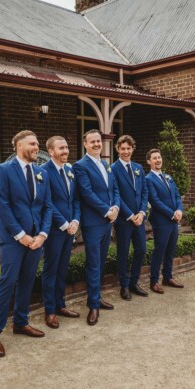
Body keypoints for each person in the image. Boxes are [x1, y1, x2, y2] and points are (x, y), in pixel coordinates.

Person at [0, 130, 52, 357]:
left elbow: (47, 207)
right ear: (18, 145)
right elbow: (1, 205)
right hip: (14, 239)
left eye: (37, 143)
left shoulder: (41, 173)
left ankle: (21, 322)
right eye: (33, 144)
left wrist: (42, 234)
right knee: (8, 281)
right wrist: (20, 235)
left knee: (27, 280)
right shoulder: (3, 170)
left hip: (36, 239)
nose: (37, 147)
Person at [73, 129, 120, 326]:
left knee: (101, 262)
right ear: (85, 144)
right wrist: (106, 211)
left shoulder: (106, 164)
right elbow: (86, 193)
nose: (96, 144)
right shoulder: (80, 166)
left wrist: (116, 206)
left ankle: (97, 296)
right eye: (92, 141)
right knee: (93, 263)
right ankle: (93, 305)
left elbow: (114, 189)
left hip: (107, 222)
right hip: (93, 222)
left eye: (98, 141)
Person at [41, 136, 80, 329]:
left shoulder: (70, 170)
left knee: (63, 268)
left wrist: (75, 220)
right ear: (50, 151)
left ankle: (60, 304)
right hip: (55, 230)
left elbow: (75, 200)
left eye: (66, 147)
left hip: (70, 228)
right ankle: (49, 311)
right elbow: (47, 203)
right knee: (51, 269)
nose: (65, 151)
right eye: (61, 148)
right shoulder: (44, 172)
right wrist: (64, 224)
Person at [111, 135, 148, 301]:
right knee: (123, 253)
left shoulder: (138, 167)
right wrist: (130, 215)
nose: (126, 151)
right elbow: (116, 195)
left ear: (133, 149)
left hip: (139, 219)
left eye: (128, 148)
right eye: (123, 148)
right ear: (117, 149)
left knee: (141, 250)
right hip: (124, 220)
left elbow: (144, 192)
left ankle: (134, 282)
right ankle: (124, 286)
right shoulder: (113, 169)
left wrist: (141, 213)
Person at [146, 148, 184, 294]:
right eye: (154, 158)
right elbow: (155, 201)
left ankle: (168, 277)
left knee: (170, 250)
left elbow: (177, 196)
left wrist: (179, 210)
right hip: (161, 221)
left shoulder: (168, 177)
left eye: (159, 157)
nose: (158, 160)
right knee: (159, 251)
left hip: (174, 220)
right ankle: (154, 281)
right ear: (149, 161)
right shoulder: (148, 179)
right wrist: (171, 213)